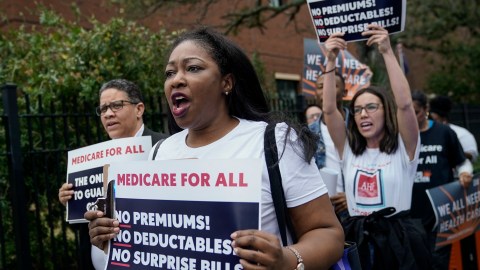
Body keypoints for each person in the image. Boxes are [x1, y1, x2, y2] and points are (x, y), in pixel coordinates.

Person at [85, 26, 345, 270]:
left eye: (193, 68)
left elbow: (328, 234)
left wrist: (287, 260)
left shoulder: (274, 140)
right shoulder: (160, 152)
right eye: (169, 73)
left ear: (227, 83)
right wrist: (112, 237)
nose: (176, 80)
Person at [322, 25, 430, 269]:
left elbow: (404, 105)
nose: (363, 114)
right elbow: (329, 109)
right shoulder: (348, 151)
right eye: (358, 109)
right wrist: (329, 59)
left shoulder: (405, 150)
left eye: (371, 107)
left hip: (397, 242)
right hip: (357, 236)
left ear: (385, 112)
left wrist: (387, 52)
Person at [58, 79, 168, 269]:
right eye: (103, 109)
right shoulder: (92, 158)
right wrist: (71, 203)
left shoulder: (166, 148)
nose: (108, 114)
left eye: (116, 105)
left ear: (139, 109)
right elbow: (82, 226)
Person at [410, 91, 473, 270]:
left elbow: (462, 162)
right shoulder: (401, 135)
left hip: (442, 212)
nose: (411, 117)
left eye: (416, 112)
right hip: (411, 215)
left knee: (438, 263)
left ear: (426, 109)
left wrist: (465, 173)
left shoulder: (444, 132)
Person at [309, 72, 350, 219]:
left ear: (344, 92)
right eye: (321, 86)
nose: (326, 90)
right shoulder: (308, 133)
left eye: (332, 85)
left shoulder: (359, 128)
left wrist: (355, 197)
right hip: (324, 213)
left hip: (355, 212)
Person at [429, 95, 478, 163]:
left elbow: (472, 156)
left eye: (434, 119)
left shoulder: (462, 134)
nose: (430, 121)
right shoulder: (424, 133)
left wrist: (451, 151)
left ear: (444, 120)